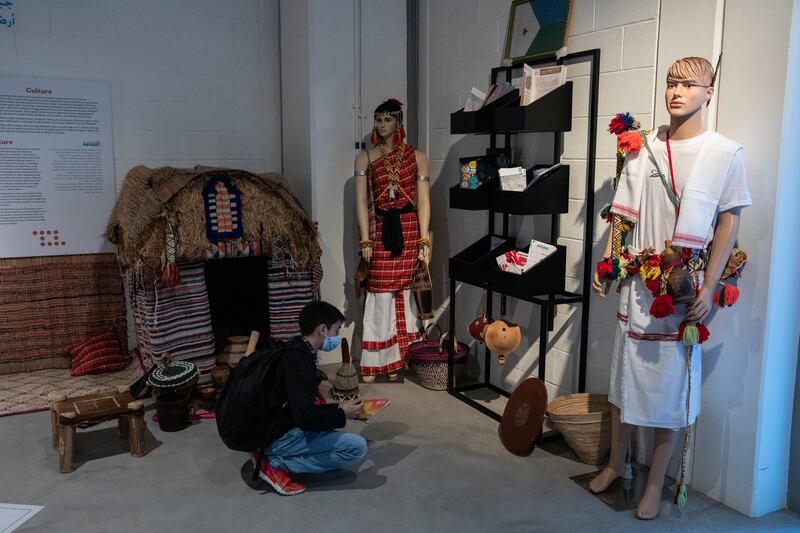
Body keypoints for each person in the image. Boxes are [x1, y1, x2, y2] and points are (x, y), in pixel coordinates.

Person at [589, 57, 751, 519]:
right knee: (622, 382)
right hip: (639, 285)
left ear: (709, 92)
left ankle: (656, 482)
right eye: (670, 83)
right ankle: (617, 464)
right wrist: (610, 265)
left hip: (681, 290)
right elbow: (622, 215)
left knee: (667, 390)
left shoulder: (724, 152)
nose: (677, 91)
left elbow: (729, 220)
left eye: (689, 84)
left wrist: (711, 283)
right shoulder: (643, 146)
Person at [252, 300, 367, 496]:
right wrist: (341, 415)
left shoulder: (296, 348)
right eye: (336, 331)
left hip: (272, 425)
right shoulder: (299, 361)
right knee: (356, 448)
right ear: (322, 329)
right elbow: (305, 418)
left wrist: (338, 409)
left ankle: (274, 453)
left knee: (331, 422)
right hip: (276, 435)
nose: (337, 337)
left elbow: (299, 406)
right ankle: (275, 462)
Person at [354, 98, 431, 382]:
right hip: (381, 229)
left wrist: (424, 239)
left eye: (387, 119)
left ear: (399, 122)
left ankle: (404, 356)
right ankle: (376, 360)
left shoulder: (418, 157)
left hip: (409, 228)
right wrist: (365, 240)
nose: (381, 125)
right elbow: (362, 202)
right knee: (379, 291)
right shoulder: (365, 157)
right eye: (378, 120)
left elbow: (424, 200)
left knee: (406, 292)